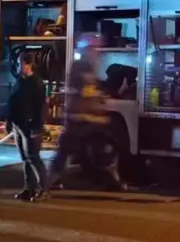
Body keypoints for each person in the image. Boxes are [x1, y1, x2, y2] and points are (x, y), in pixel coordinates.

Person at [45, 33, 126, 192]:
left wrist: (101, 103)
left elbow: (91, 92)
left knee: (104, 152)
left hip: (91, 121)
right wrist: (99, 102)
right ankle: (46, 184)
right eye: (94, 49)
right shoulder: (80, 67)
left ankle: (112, 182)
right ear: (86, 50)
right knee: (64, 152)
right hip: (79, 120)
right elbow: (86, 92)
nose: (97, 53)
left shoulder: (88, 67)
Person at [7, 52, 48, 201]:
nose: (19, 67)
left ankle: (44, 189)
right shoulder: (20, 81)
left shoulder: (36, 83)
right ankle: (28, 188)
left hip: (29, 125)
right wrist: (9, 121)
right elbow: (13, 102)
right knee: (25, 158)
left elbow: (41, 107)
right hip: (19, 125)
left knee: (33, 157)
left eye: (21, 64)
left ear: (28, 65)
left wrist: (37, 127)